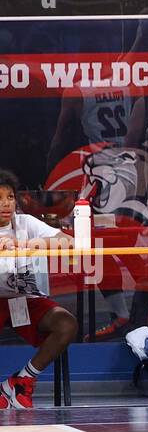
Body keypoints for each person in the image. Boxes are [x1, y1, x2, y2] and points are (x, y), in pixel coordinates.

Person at [0, 169, 79, 410]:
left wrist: (24, 244)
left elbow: (68, 242)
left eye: (10, 197)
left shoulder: (25, 223)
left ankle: (22, 380)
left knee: (66, 324)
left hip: (23, 301)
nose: (5, 204)